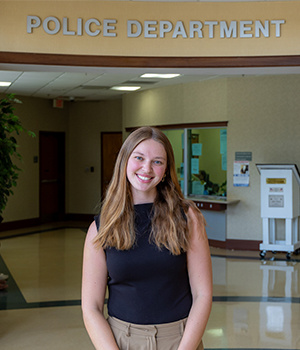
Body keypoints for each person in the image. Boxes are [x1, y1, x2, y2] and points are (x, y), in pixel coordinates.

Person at [81, 126, 213, 350]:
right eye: (139, 158)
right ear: (124, 161)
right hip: (122, 341)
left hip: (181, 340)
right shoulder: (101, 227)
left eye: (157, 161)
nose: (147, 168)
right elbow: (91, 307)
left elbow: (203, 294)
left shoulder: (188, 218)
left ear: (166, 169)